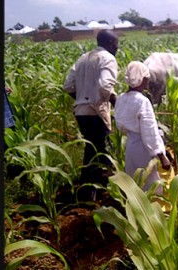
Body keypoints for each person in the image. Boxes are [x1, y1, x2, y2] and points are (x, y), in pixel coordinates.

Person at [63, 29, 119, 189]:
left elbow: (67, 86)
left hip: (81, 112)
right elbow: (104, 86)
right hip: (96, 113)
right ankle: (98, 185)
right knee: (101, 149)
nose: (117, 48)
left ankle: (88, 184)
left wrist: (82, 98)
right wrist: (117, 102)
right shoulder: (108, 59)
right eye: (116, 45)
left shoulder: (83, 58)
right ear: (109, 43)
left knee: (92, 148)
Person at [114, 61, 171, 195]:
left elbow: (120, 125)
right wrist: (162, 156)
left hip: (130, 148)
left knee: (135, 183)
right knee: (151, 185)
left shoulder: (121, 98)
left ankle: (136, 210)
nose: (147, 83)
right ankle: (154, 212)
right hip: (144, 149)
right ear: (141, 80)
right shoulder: (142, 101)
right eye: (146, 79)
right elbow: (149, 132)